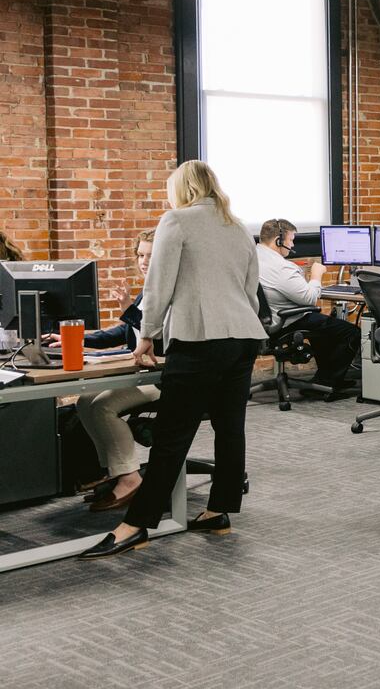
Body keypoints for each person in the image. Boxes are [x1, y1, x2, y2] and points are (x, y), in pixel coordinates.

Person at [82, 161, 267, 559]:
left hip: (200, 338)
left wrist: (146, 336)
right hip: (243, 337)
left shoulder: (176, 220)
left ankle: (136, 526)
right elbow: (252, 291)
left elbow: (158, 283)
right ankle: (219, 510)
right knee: (230, 429)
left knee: (172, 437)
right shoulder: (237, 227)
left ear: (181, 189)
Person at [45, 231, 159, 512]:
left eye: (150, 255)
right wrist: (78, 339)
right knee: (85, 402)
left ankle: (131, 478)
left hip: (162, 376)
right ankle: (114, 470)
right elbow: (125, 332)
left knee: (103, 407)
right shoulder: (149, 289)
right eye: (140, 255)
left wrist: (127, 309)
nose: (143, 261)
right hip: (138, 373)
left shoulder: (172, 290)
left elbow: (158, 336)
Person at [256, 218, 360, 389]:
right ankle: (327, 383)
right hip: (286, 322)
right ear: (279, 241)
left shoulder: (254, 256)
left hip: (264, 323)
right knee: (351, 332)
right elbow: (310, 298)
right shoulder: (281, 267)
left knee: (323, 325)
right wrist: (316, 275)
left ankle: (325, 378)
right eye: (291, 240)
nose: (292, 244)